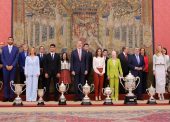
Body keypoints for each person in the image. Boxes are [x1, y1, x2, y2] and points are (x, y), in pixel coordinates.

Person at [1, 37, 19, 102]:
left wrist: (12, 65)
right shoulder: (4, 48)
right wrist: (6, 65)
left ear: (13, 41)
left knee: (12, 83)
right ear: (7, 40)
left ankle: (11, 97)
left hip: (13, 68)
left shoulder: (16, 49)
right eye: (9, 39)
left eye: (11, 40)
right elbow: (2, 58)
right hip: (5, 68)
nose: (10, 40)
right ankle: (6, 96)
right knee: (5, 83)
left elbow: (16, 58)